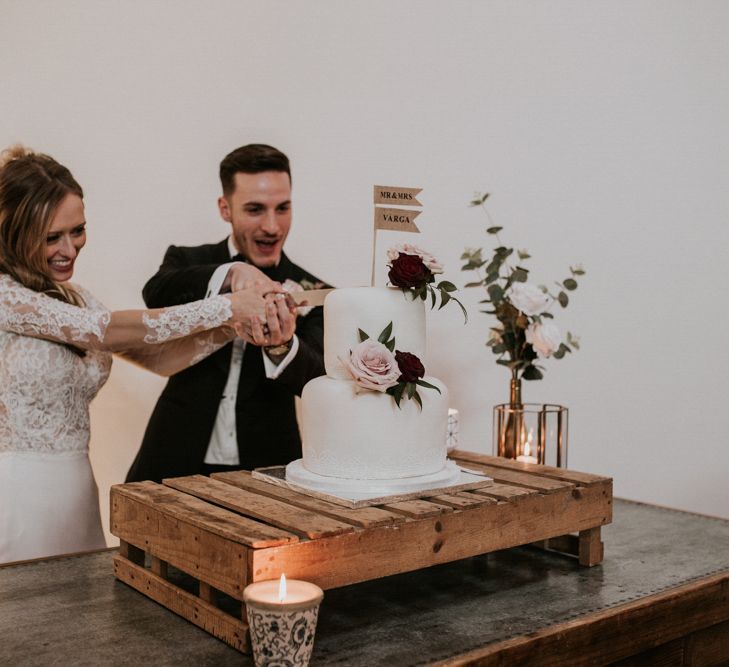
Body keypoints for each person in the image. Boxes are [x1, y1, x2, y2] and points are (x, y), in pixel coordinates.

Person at [0, 145, 278, 563]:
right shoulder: (6, 297)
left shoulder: (75, 300)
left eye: (77, 230)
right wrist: (227, 304)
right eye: (51, 237)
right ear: (13, 235)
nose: (70, 248)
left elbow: (159, 358)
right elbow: (108, 331)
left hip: (76, 488)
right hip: (18, 492)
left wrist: (231, 329)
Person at [125, 144, 327, 483]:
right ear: (225, 208)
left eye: (283, 208)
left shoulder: (314, 289)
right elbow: (156, 292)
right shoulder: (188, 261)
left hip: (266, 466)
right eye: (254, 209)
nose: (272, 226)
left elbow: (319, 381)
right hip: (173, 459)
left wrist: (283, 346)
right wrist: (230, 273)